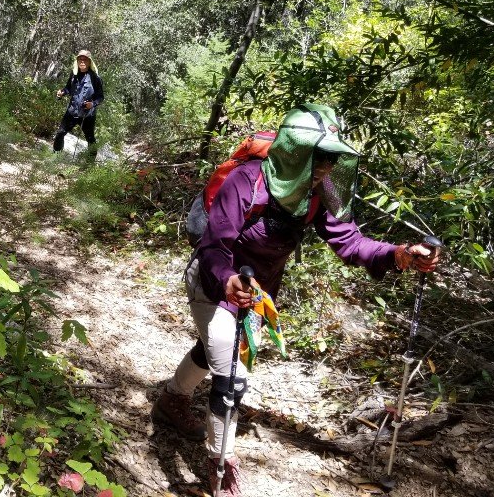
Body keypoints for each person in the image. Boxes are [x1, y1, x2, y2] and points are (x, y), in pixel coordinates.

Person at [151, 104, 441, 496]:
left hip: (257, 292)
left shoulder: (320, 190)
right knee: (232, 375)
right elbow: (214, 246)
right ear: (294, 152)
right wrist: (228, 279)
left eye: (330, 160)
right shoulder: (247, 180)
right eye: (318, 159)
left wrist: (399, 254)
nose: (325, 168)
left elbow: (350, 241)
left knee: (216, 349)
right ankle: (221, 468)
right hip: (213, 283)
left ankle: (171, 402)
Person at [53, 49, 105, 157]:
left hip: (88, 115)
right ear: (77, 61)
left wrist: (92, 104)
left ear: (89, 62)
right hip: (72, 111)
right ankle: (56, 156)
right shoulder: (74, 74)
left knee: (90, 138)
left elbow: (100, 97)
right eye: (80, 59)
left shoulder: (95, 78)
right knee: (60, 133)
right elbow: (68, 88)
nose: (82, 61)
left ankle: (90, 163)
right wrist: (62, 92)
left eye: (85, 59)